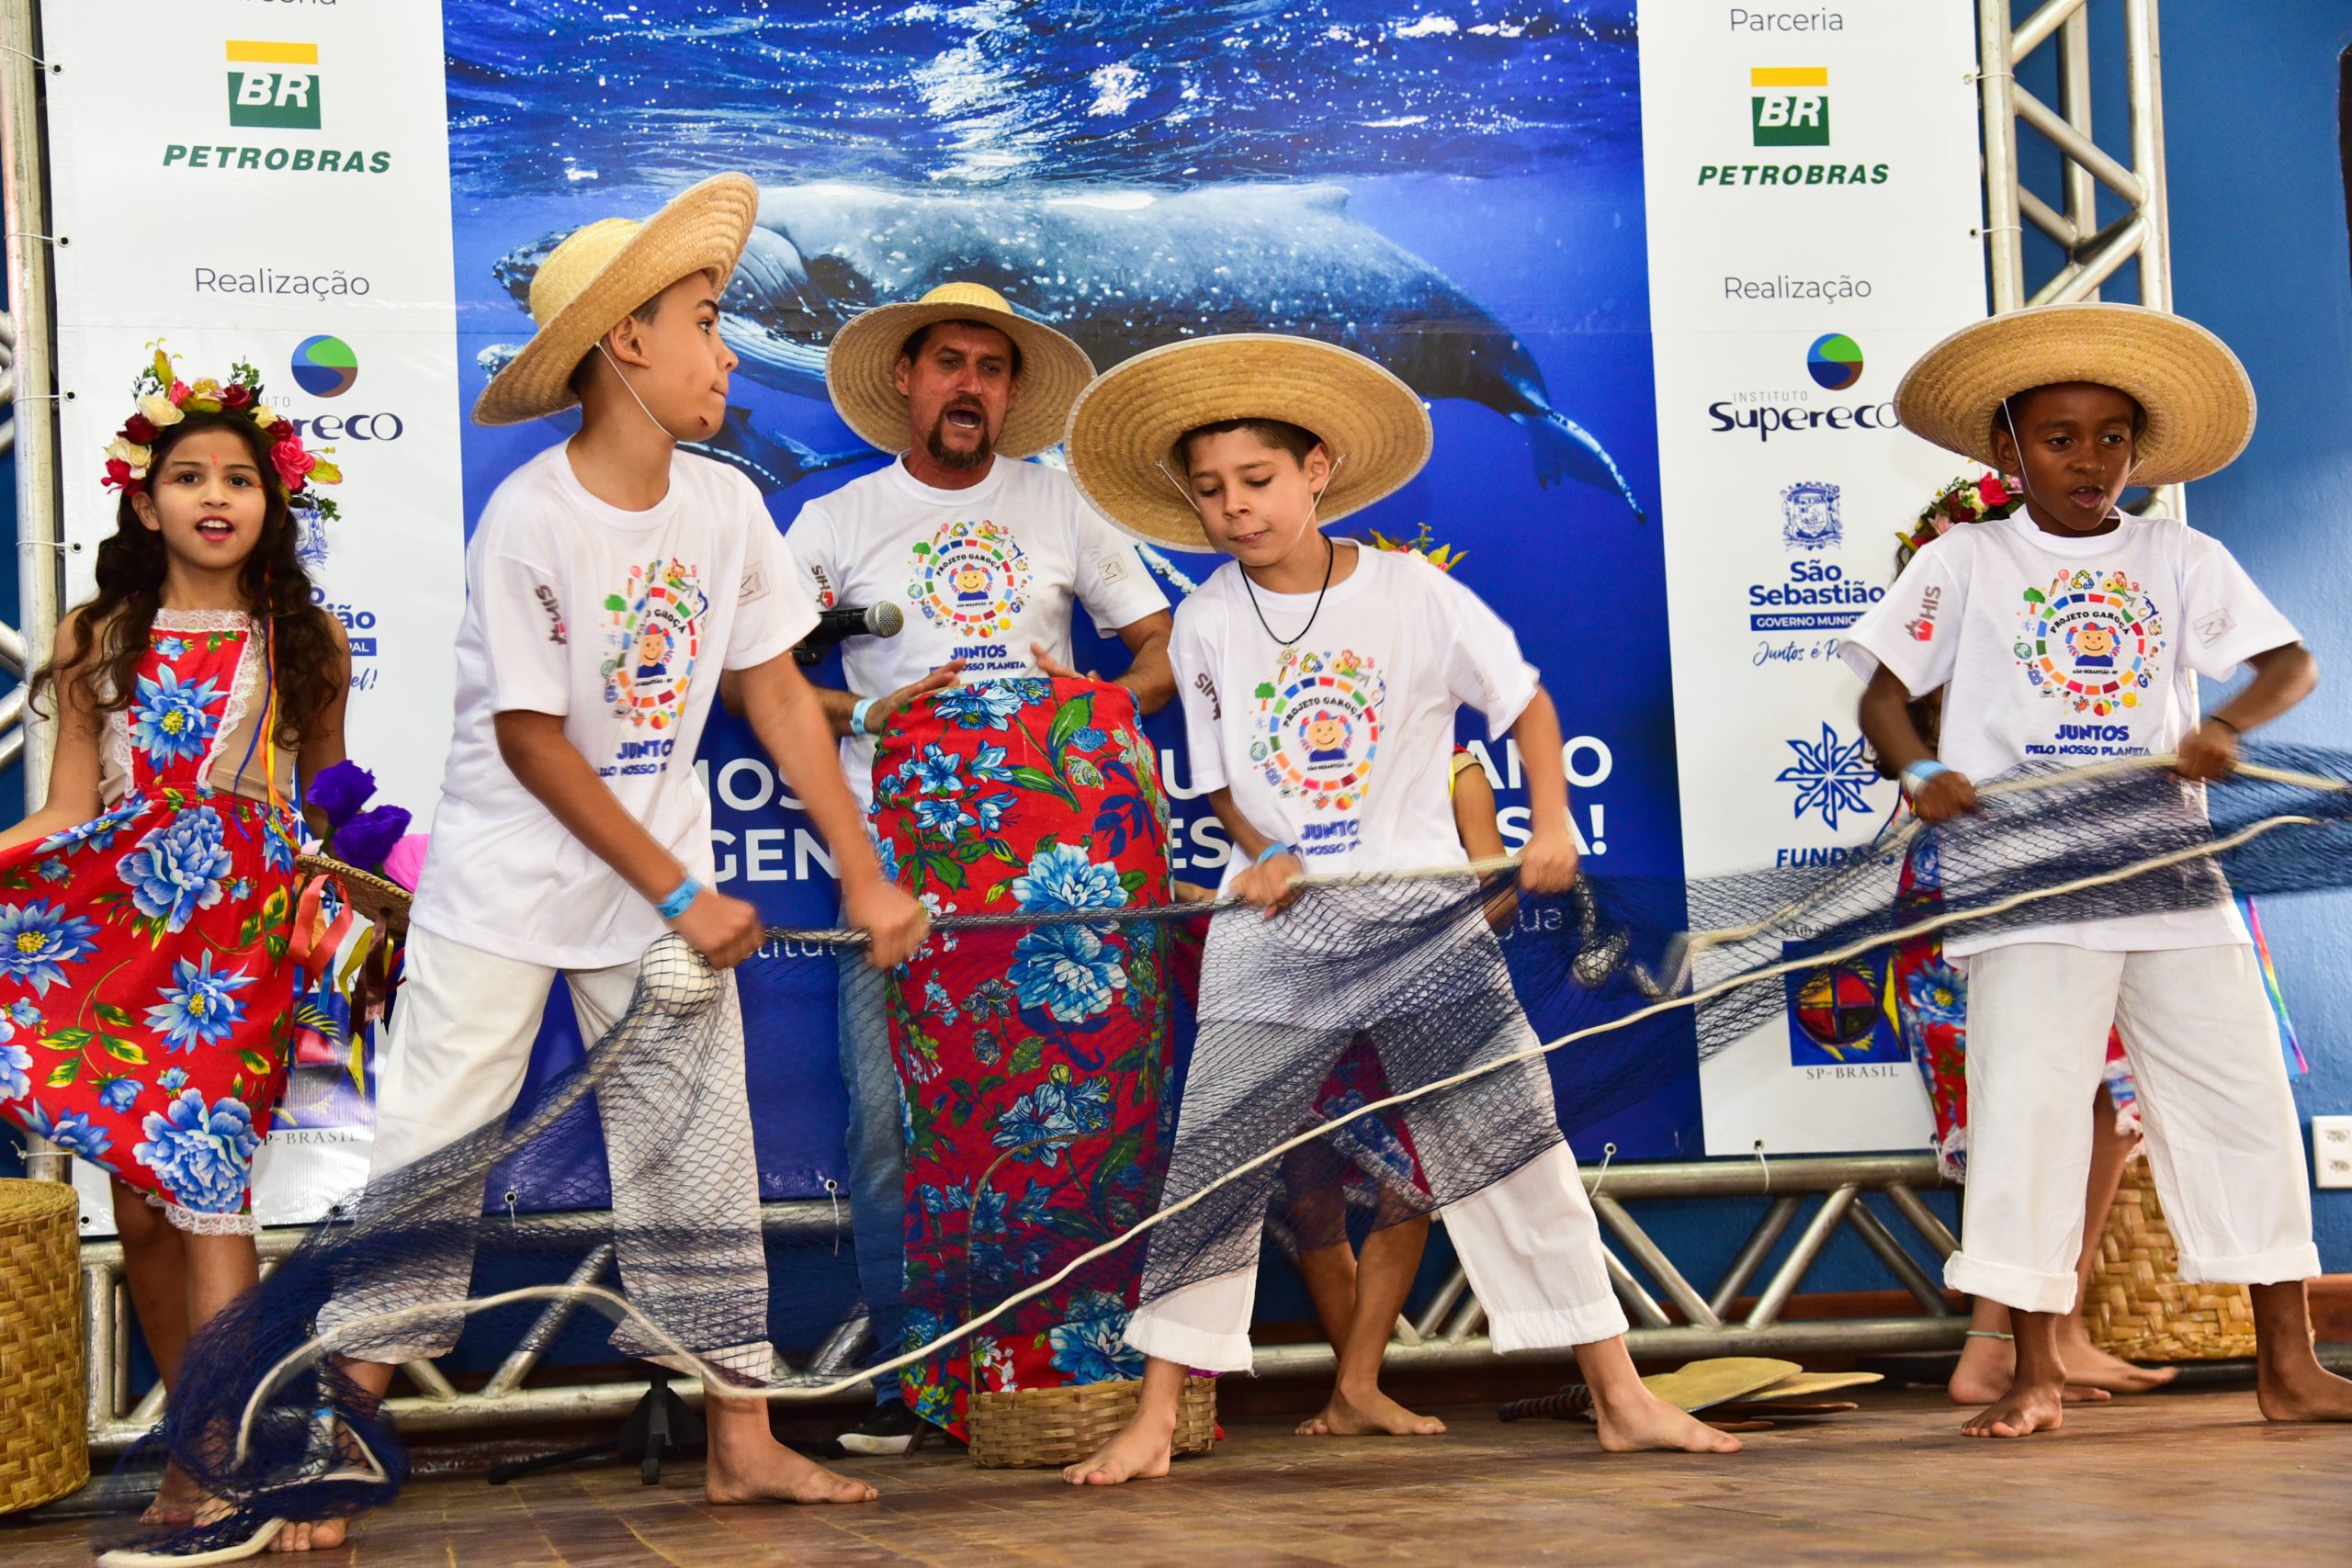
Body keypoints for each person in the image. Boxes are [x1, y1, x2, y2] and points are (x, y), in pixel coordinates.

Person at [293, 175, 928, 1554]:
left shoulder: (727, 506)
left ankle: (742, 1441)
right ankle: (339, 1423)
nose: (730, 352)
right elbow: (531, 740)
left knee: (697, 1156)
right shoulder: (533, 515)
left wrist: (866, 868)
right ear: (625, 342)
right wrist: (683, 890)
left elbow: (770, 694)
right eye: (706, 321)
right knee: (434, 1149)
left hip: (653, 891)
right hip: (509, 892)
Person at [1057, 333, 1740, 1484]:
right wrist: (1261, 848)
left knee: (1519, 1152)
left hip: (1421, 924)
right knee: (1214, 1163)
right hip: (1277, 932)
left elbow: (1522, 705)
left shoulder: (1415, 593)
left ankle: (1620, 1395)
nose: (1234, 511)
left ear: (1317, 468)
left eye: (1257, 483)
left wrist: (1552, 824)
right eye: (1211, 493)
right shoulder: (1211, 619)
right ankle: (1154, 1419)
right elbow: (1222, 777)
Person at [1846, 300, 2352, 1438]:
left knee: (2245, 1105)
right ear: (2005, 452)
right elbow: (1880, 692)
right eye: (2060, 437)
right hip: (2022, 877)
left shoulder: (2178, 554)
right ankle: (2032, 1372)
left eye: (2111, 436)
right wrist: (1921, 765)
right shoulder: (1965, 558)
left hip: (2170, 874)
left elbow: (2289, 663)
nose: (2089, 458)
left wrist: (2229, 725)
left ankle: (2289, 1362)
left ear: (2137, 450)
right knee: (2028, 1114)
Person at [775, 280, 1174, 1454]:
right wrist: (873, 709)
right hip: (897, 878)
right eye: (948, 362)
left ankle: (1050, 1374)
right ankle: (914, 1383)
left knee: (1069, 1120)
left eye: (991, 369)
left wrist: (1071, 717)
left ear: (1010, 392)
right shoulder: (836, 522)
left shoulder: (1062, 505)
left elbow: (1157, 653)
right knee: (896, 1129)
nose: (969, 385)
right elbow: (766, 679)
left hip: (1060, 894)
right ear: (906, 379)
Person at [0, 358, 347, 1528]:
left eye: (239, 478)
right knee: (140, 1203)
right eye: (186, 476)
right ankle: (208, 1434)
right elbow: (63, 810)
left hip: (235, 945)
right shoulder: (97, 635)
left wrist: (362, 885)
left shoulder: (304, 641)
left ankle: (208, 1470)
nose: (214, 495)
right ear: (143, 504)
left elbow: (335, 796)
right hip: (120, 938)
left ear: (270, 502)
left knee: (208, 1193)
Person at [1879, 491, 2176, 1406]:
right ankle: (2010, 1341)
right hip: (1997, 878)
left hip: (2077, 870)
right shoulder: (1965, 633)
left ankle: (2029, 1335)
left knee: (2090, 1105)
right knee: (2029, 1104)